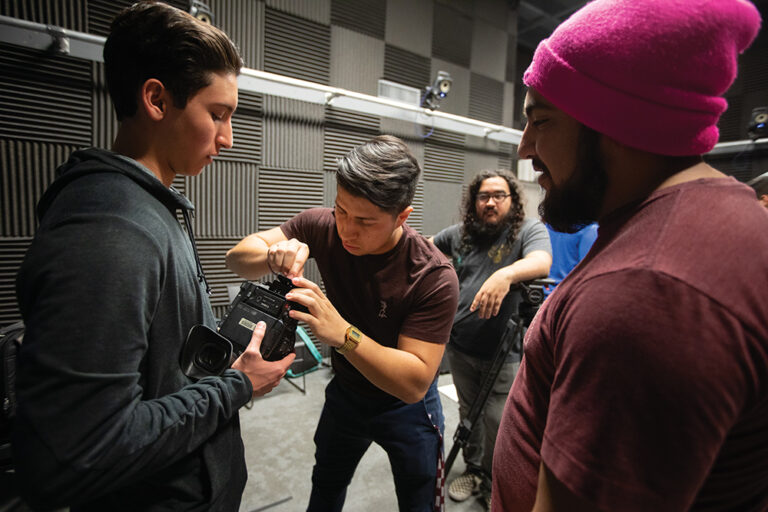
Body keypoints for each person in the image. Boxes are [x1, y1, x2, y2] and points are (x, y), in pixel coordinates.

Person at [13, 3, 295, 510]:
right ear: (157, 99)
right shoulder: (110, 232)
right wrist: (237, 387)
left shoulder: (149, 208)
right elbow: (79, 454)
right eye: (218, 114)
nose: (227, 139)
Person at [492, 1, 768, 511]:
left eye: (542, 121)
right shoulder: (711, 220)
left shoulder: (646, 288)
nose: (524, 149)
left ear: (616, 122)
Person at [226, 135, 459, 512]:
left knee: (420, 501)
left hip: (407, 409)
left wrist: (343, 335)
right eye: (341, 211)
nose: (347, 230)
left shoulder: (432, 276)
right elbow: (236, 259)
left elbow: (415, 382)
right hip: (347, 395)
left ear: (402, 216)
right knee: (327, 485)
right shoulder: (322, 225)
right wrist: (273, 254)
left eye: (365, 221)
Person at [430, 170, 551, 509]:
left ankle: (497, 481)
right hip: (460, 346)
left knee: (499, 420)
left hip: (503, 353)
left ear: (512, 200)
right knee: (469, 413)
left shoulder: (529, 230)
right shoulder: (460, 235)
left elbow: (542, 262)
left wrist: (505, 274)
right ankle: (473, 470)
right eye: (484, 196)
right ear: (474, 201)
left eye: (499, 195)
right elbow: (425, 249)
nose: (491, 202)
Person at [542, 222, 597, 297]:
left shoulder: (546, 227)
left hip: (544, 296)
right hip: (568, 297)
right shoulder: (590, 229)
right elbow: (590, 274)